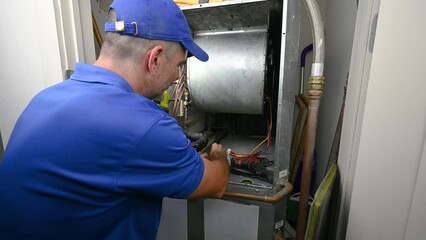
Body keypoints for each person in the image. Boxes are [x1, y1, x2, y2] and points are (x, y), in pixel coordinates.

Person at [0, 0, 229, 239]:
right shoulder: (146, 126)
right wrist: (218, 153)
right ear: (156, 59)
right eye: (179, 66)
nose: (176, 77)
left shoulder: (44, 98)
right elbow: (217, 183)